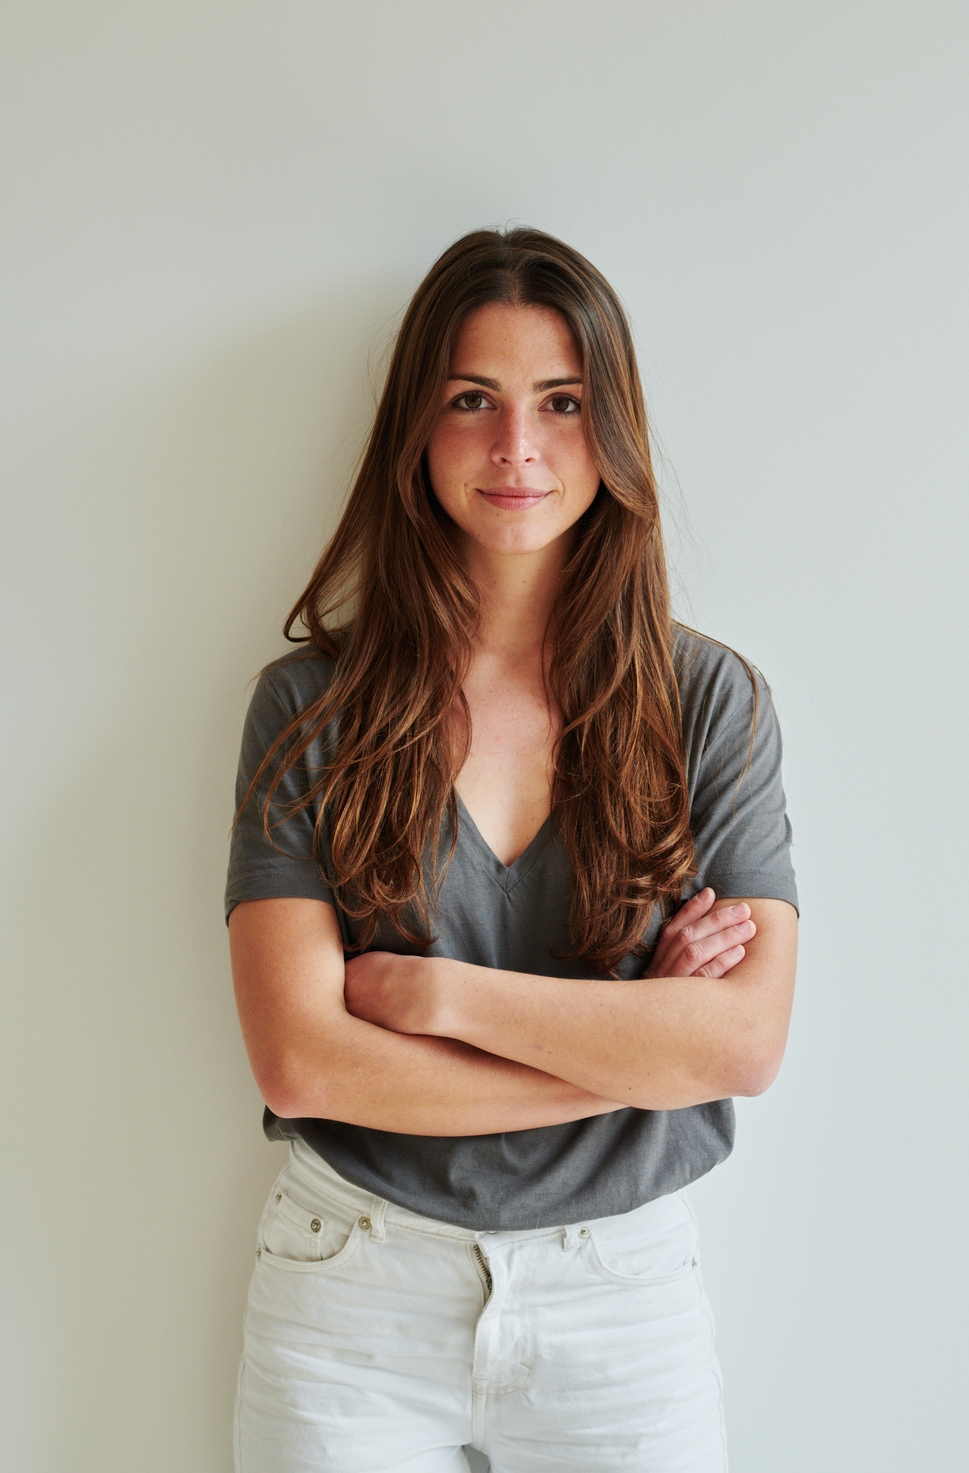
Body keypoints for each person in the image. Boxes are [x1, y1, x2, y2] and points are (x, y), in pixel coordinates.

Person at [225, 227, 798, 1473]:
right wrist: (638, 1044)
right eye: (471, 400)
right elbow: (305, 1066)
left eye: (562, 402)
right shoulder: (307, 709)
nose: (516, 449)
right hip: (350, 1295)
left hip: (622, 1292)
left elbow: (744, 1044)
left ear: (616, 430)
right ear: (415, 432)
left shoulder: (710, 702)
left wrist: (441, 997)